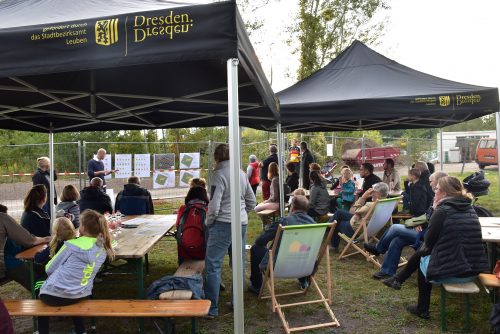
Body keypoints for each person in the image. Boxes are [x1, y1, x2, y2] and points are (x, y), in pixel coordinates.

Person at [398, 177, 488, 319]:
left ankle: (422, 308)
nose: (434, 192)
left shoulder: (442, 211)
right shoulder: (470, 208)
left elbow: (428, 242)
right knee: (428, 254)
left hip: (453, 274)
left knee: (424, 258)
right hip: (474, 271)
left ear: (445, 193)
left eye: (437, 189)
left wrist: (434, 211)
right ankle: (400, 280)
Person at [37, 209, 115, 334]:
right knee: (73, 284)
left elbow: (49, 269)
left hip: (53, 295)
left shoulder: (70, 245)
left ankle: (42, 331)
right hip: (81, 294)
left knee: (39, 290)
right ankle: (81, 331)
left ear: (82, 227)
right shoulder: (103, 248)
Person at [364, 171, 448, 280]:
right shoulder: (438, 197)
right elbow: (429, 217)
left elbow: (435, 222)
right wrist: (421, 223)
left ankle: (378, 249)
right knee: (397, 240)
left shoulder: (441, 200)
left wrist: (422, 224)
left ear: (439, 183)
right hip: (425, 231)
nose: (430, 184)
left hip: (429, 238)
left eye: (431, 182)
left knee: (394, 227)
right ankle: (387, 271)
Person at [204, 144, 256, 318]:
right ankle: (236, 303)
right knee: (238, 264)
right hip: (240, 223)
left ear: (216, 157)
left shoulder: (218, 175)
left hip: (222, 223)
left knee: (212, 264)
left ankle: (211, 308)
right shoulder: (241, 173)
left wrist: (209, 222)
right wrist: (241, 213)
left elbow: (214, 205)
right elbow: (252, 201)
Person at [248, 195, 315, 293]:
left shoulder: (284, 222)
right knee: (302, 249)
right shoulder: (314, 224)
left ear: (293, 207)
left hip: (279, 266)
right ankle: (303, 280)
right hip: (305, 266)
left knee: (255, 248)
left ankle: (257, 286)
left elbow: (260, 241)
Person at [1, 205, 50, 291]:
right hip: (7, 264)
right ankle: (44, 293)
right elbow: (28, 240)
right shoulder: (2, 218)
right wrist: (46, 239)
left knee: (43, 270)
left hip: (11, 261)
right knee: (37, 281)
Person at [329, 182, 389, 252]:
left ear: (379, 194)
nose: (372, 194)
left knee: (336, 223)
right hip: (368, 227)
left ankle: (334, 246)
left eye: (374, 192)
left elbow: (353, 210)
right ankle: (327, 226)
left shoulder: (371, 205)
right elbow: (359, 212)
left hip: (355, 230)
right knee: (339, 213)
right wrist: (358, 213)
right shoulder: (386, 204)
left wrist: (363, 197)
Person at [176, 184, 209, 264]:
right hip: (203, 249)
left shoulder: (183, 208)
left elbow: (177, 225)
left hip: (185, 249)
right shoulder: (207, 209)